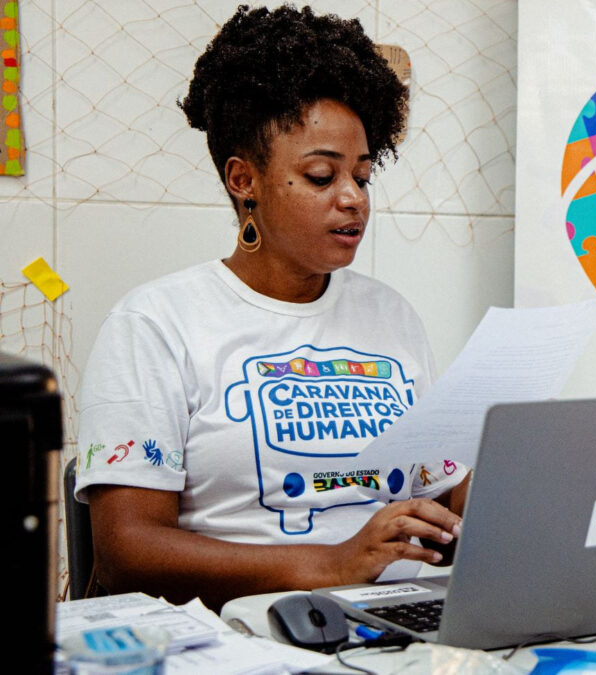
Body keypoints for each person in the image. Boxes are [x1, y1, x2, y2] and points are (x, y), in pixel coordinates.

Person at [73, 5, 468, 609]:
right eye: (319, 176)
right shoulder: (155, 324)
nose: (352, 200)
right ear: (243, 180)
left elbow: (449, 493)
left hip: (398, 619)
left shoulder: (392, 317)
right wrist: (333, 563)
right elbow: (127, 552)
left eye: (362, 178)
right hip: (244, 633)